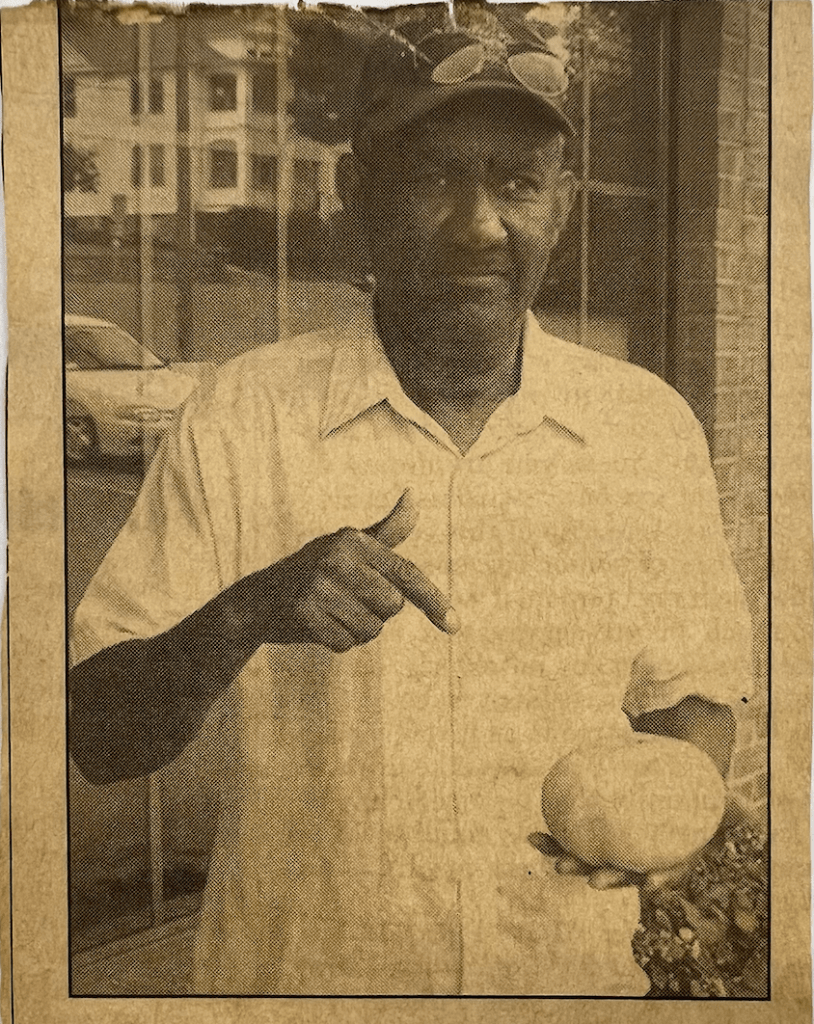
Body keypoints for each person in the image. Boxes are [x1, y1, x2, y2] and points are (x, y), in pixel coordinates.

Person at [69, 7, 753, 996]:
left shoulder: (643, 428)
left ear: (558, 211)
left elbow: (690, 687)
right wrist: (249, 610)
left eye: (517, 183)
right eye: (434, 178)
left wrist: (673, 807)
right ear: (356, 196)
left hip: (563, 985)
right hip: (311, 987)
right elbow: (98, 733)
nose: (481, 225)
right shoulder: (244, 416)